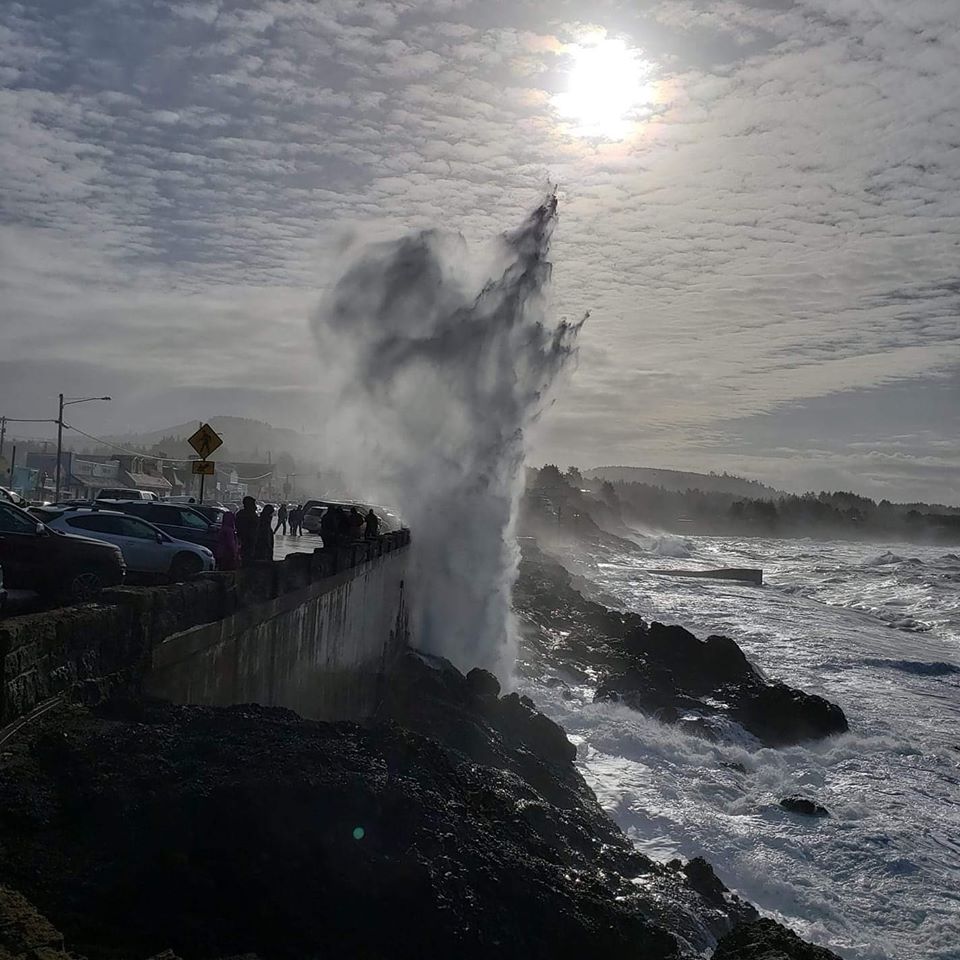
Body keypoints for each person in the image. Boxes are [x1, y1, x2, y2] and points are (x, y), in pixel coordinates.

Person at [235, 496, 259, 566]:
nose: (255, 506)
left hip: (251, 542)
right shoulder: (246, 515)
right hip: (248, 542)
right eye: (253, 504)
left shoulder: (242, 514)